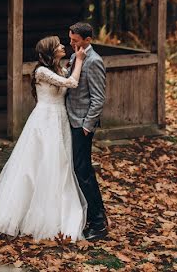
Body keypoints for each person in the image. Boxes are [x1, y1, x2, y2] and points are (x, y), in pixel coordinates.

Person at [0, 36, 89, 241]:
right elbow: (72, 83)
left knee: (59, 164)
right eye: (59, 45)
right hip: (44, 121)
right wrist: (79, 60)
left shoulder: (57, 69)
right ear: (52, 51)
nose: (63, 46)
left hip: (59, 118)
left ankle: (55, 209)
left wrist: (71, 64)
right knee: (37, 164)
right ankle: (24, 215)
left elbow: (66, 80)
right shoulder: (42, 71)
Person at [66, 22, 109, 240]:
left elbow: (98, 98)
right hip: (70, 121)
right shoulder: (77, 56)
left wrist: (86, 125)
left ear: (87, 40)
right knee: (77, 170)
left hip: (82, 125)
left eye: (75, 40)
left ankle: (99, 222)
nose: (71, 43)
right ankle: (84, 216)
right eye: (71, 39)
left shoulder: (94, 61)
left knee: (83, 172)